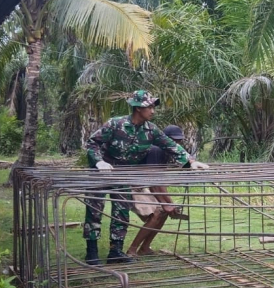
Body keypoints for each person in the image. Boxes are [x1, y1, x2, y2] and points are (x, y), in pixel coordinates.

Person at [83, 90, 207, 265]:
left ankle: (115, 251)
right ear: (138, 108)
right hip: (102, 171)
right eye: (149, 106)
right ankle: (92, 251)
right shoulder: (115, 124)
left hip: (124, 174)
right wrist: (98, 162)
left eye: (153, 106)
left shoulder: (151, 130)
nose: (153, 110)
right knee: (94, 210)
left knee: (122, 211)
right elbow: (92, 142)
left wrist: (190, 161)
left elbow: (170, 145)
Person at [126, 125, 203, 257]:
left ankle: (145, 248)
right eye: (174, 140)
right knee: (156, 214)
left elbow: (159, 183)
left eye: (179, 141)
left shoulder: (166, 153)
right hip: (134, 185)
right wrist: (165, 204)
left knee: (163, 212)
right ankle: (132, 250)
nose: (177, 143)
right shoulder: (156, 150)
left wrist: (170, 204)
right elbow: (154, 182)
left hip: (146, 185)